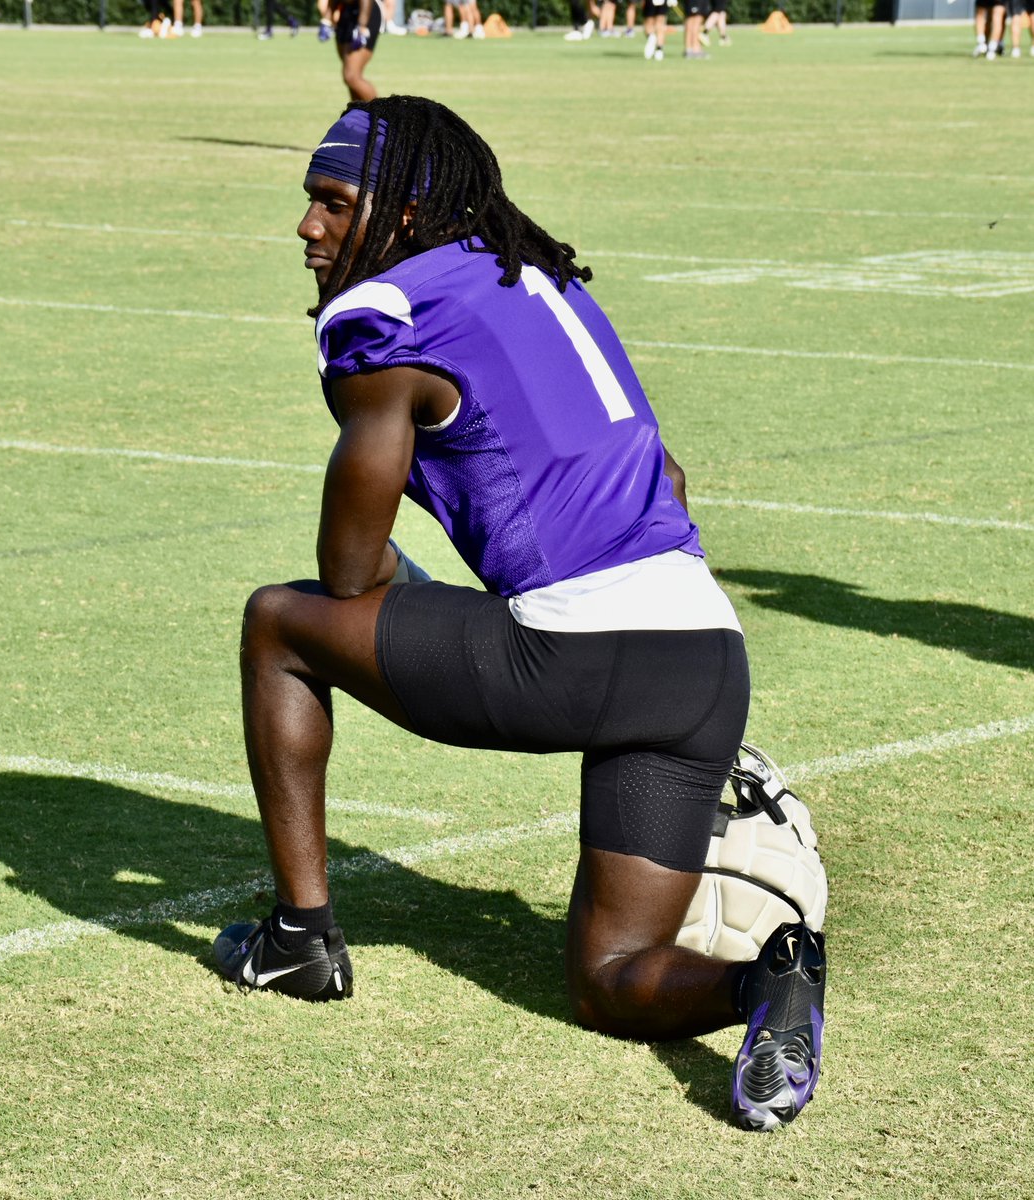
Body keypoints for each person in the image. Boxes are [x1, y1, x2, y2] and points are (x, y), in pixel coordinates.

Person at [212, 95, 826, 1133]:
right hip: (704, 660)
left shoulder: (386, 320)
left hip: (574, 656)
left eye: (331, 203)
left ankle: (300, 939)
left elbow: (347, 577)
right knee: (609, 978)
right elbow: (667, 478)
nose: (309, 228)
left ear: (402, 215)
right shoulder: (531, 274)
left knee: (279, 622)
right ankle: (765, 987)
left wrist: (413, 575)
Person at [331, 0, 382, 101]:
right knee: (351, 80)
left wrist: (362, 26)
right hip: (346, 13)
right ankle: (358, 115)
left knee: (351, 76)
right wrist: (328, 18)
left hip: (365, 12)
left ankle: (382, 113)